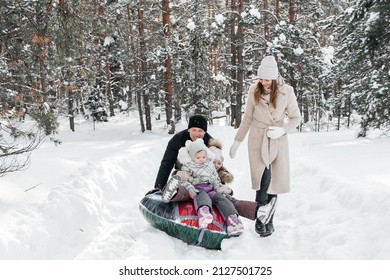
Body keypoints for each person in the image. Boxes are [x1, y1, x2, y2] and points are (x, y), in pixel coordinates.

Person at [229, 55, 302, 237]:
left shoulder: (288, 91)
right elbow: (247, 119)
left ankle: (270, 220)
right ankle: (261, 220)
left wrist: (282, 130)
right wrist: (237, 141)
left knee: (274, 183)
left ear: (275, 78)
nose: (264, 82)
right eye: (261, 78)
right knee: (263, 180)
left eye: (267, 79)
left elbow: (296, 118)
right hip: (258, 137)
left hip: (277, 139)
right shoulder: (254, 90)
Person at [177, 139, 244, 235]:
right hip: (198, 188)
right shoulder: (188, 166)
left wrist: (219, 187)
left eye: (204, 157)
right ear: (192, 157)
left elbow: (215, 178)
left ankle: (232, 220)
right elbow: (185, 180)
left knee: (222, 199)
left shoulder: (209, 165)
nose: (202, 159)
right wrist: (189, 188)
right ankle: (204, 213)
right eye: (198, 157)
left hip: (210, 188)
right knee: (202, 196)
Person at [152, 114, 212, 202]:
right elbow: (167, 163)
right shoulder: (177, 140)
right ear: (189, 129)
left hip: (202, 174)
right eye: (194, 130)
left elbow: (216, 165)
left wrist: (221, 184)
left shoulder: (210, 142)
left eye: (200, 131)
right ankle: (173, 192)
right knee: (182, 181)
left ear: (205, 132)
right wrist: (158, 186)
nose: (197, 134)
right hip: (183, 172)